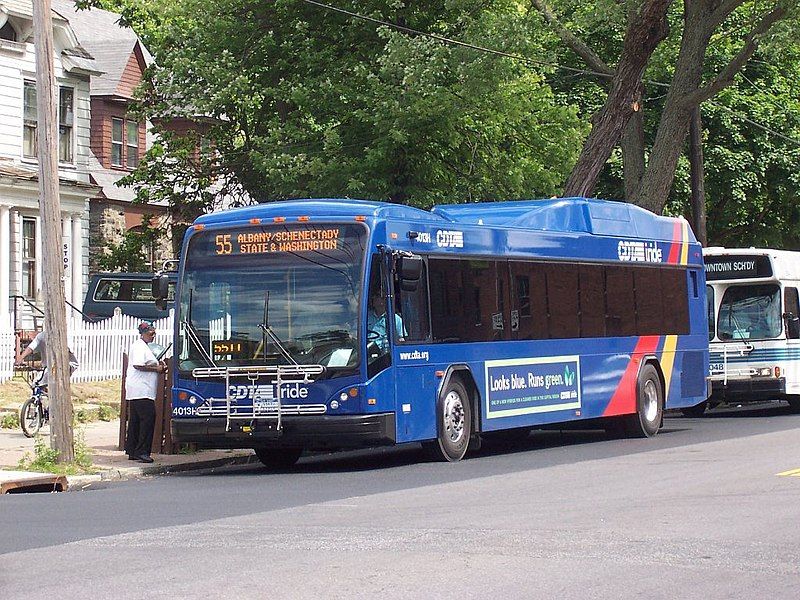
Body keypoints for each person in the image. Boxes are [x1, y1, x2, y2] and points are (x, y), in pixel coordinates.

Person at [124, 321, 167, 463]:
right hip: (141, 389)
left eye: (154, 333)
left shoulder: (144, 347)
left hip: (140, 389)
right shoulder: (138, 347)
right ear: (143, 333)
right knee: (148, 418)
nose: (153, 336)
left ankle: (132, 449)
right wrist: (156, 369)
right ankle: (142, 451)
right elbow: (138, 365)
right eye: (151, 333)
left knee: (136, 420)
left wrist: (159, 367)